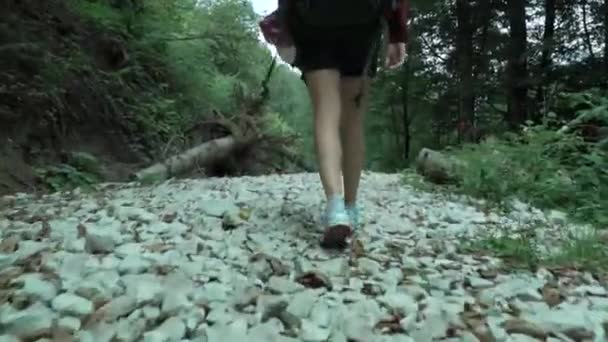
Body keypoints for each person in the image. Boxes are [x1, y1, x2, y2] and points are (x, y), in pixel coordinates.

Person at [260, 0, 410, 248]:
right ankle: (350, 208)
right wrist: (398, 32)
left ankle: (336, 208)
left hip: (312, 21)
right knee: (352, 119)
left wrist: (285, 30)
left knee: (326, 112)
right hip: (363, 21)